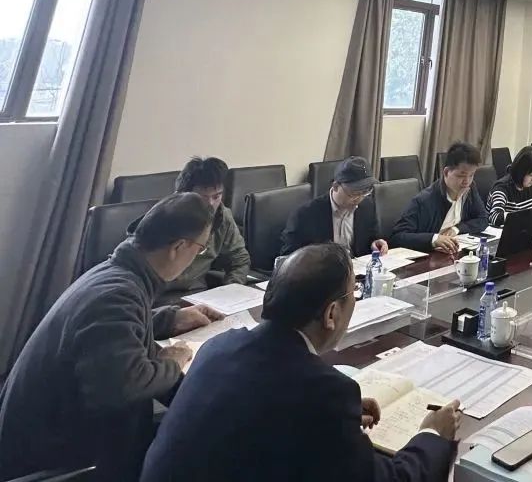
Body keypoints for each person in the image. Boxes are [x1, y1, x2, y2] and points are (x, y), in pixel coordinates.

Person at [140, 244, 460, 482]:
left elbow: (265, 412)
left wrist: (338, 419)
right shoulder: (324, 393)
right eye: (353, 293)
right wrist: (432, 434)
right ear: (331, 314)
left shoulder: (219, 346)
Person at [0, 194, 220, 481]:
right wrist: (172, 361)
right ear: (178, 247)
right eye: (200, 249)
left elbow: (104, 331)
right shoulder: (117, 294)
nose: (197, 257)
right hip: (51, 457)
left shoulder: (117, 274)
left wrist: (169, 319)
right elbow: (123, 387)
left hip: (43, 430)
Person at [145, 157, 250, 305]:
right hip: (156, 298)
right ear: (182, 195)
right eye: (202, 197)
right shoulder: (162, 219)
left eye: (216, 196)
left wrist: (229, 292)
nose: (210, 204)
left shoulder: (222, 217)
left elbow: (239, 259)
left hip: (197, 294)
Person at [390, 141, 487, 254]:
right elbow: (397, 237)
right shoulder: (424, 200)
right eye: (461, 175)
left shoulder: (469, 190)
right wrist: (434, 239)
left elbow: (483, 219)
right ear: (446, 172)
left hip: (453, 253)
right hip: (428, 257)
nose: (467, 181)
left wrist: (457, 229)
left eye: (471, 175)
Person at [280, 157, 386, 258]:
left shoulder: (367, 206)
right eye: (353, 193)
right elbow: (289, 258)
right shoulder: (305, 215)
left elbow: (371, 236)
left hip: (358, 268)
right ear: (335, 186)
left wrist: (375, 243)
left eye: (364, 192)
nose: (358, 199)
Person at [487, 147, 532, 227]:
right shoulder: (501, 188)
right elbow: (495, 217)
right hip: (501, 231)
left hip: (523, 229)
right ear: (520, 172)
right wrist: (527, 217)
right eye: (531, 175)